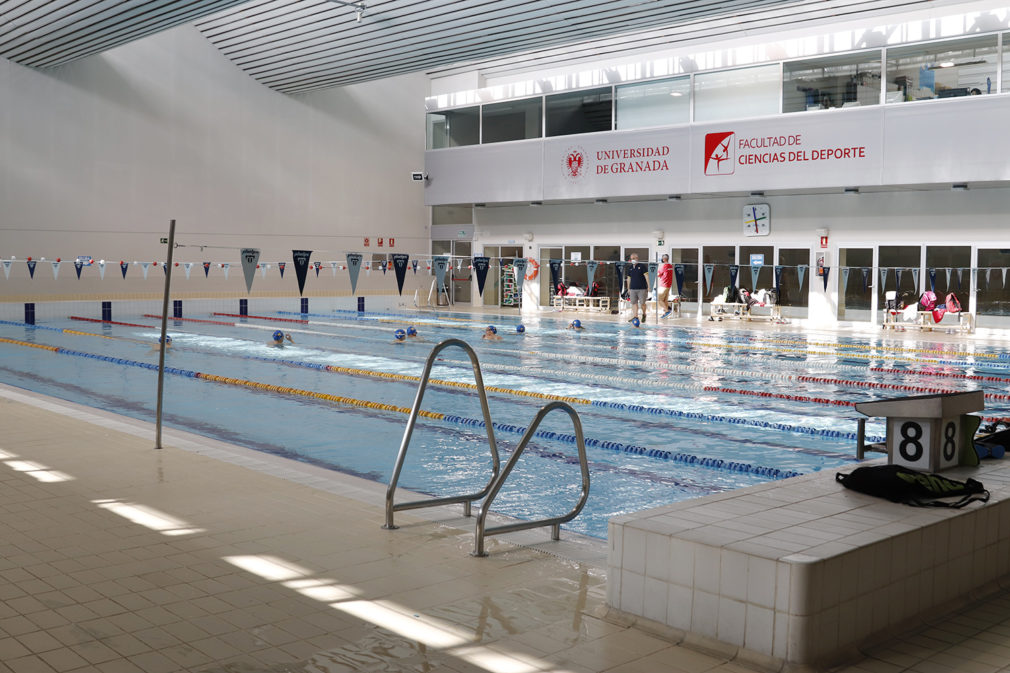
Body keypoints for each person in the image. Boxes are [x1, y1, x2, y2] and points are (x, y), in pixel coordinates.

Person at [625, 252, 648, 323]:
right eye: (631, 259)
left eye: (634, 258)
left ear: (637, 259)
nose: (632, 260)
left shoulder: (642, 266)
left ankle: (644, 314)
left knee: (642, 303)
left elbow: (646, 276)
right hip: (632, 289)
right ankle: (635, 316)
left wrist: (649, 286)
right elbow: (628, 279)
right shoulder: (630, 268)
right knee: (634, 303)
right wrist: (628, 288)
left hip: (642, 289)